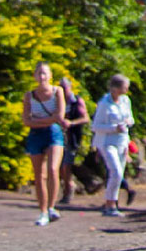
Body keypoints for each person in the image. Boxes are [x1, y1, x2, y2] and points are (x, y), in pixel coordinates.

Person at [23, 62, 68, 225]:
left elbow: (59, 116)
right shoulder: (29, 96)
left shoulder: (58, 92)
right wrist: (46, 121)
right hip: (36, 135)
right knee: (38, 175)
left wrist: (39, 121)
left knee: (53, 168)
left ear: (50, 76)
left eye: (44, 73)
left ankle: (51, 206)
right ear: (35, 76)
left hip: (53, 134)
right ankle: (42, 211)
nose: (42, 77)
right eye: (39, 74)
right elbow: (26, 121)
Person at [91, 74, 135, 217]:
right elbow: (96, 126)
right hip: (106, 142)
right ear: (115, 89)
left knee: (118, 174)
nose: (126, 91)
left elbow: (131, 119)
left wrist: (127, 122)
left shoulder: (125, 101)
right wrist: (113, 128)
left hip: (122, 141)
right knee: (115, 171)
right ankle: (110, 204)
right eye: (124, 88)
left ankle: (111, 203)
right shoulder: (104, 104)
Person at [57, 74, 90, 208]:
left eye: (65, 87)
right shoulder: (57, 100)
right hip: (58, 136)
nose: (63, 90)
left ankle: (68, 190)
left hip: (71, 136)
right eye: (61, 87)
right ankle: (68, 186)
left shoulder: (76, 101)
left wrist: (71, 123)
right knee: (58, 166)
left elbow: (85, 118)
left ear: (70, 87)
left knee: (66, 164)